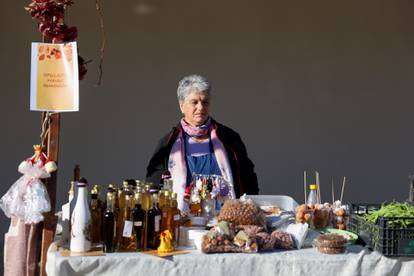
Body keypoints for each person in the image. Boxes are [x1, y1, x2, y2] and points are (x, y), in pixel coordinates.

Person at [145, 74, 258, 210]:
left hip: (225, 219)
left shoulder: (229, 139)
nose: (201, 107)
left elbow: (249, 178)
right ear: (182, 106)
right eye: (194, 102)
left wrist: (246, 210)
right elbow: (153, 187)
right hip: (183, 220)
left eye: (205, 102)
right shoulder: (168, 144)